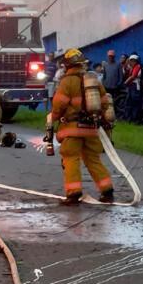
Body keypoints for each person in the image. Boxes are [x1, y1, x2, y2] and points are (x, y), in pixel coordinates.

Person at [50, 48, 114, 205]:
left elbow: (59, 105)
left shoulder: (67, 82)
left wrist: (53, 118)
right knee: (93, 159)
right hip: (91, 128)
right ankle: (107, 191)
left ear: (67, 65)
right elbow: (105, 102)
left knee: (71, 158)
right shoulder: (93, 81)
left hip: (72, 128)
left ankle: (73, 194)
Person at [123, 54, 143, 124]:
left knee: (135, 103)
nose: (130, 62)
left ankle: (135, 119)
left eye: (132, 61)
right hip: (132, 86)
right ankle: (129, 118)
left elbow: (133, 76)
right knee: (129, 102)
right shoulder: (132, 67)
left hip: (135, 87)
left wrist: (125, 82)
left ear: (135, 61)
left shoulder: (137, 67)